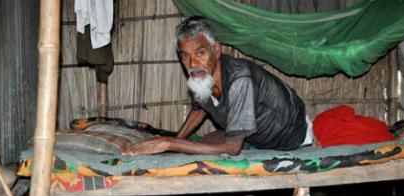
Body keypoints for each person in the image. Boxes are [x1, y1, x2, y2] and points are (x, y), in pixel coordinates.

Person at [123, 17, 312, 156]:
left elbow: (232, 149)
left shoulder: (240, 81)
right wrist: (173, 143)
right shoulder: (203, 75)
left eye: (200, 52)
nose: (192, 63)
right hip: (254, 137)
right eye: (184, 55)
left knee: (218, 154)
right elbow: (199, 110)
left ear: (217, 50)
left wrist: (168, 143)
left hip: (290, 139)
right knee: (207, 143)